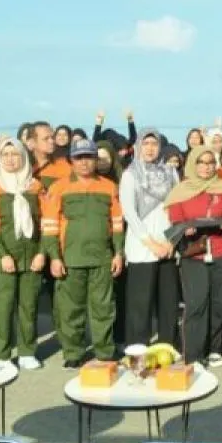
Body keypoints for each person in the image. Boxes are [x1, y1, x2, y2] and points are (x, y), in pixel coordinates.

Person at [42, 139, 126, 368]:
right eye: (79, 158)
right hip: (71, 259)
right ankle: (73, 353)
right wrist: (55, 257)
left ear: (95, 160)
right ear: (72, 160)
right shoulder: (58, 187)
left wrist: (118, 253)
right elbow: (49, 225)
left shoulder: (109, 187)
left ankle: (104, 351)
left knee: (103, 308)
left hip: (102, 258)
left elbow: (117, 223)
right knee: (71, 309)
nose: (84, 162)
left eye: (89, 157)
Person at [164, 146, 222, 367]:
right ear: (192, 164)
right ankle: (194, 354)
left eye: (210, 162)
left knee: (219, 303)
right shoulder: (181, 191)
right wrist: (184, 228)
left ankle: (215, 349)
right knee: (196, 304)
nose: (206, 167)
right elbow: (175, 218)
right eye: (201, 162)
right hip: (194, 254)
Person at [0, 137, 46, 369]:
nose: (10, 159)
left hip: (31, 258)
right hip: (1, 259)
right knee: (2, 308)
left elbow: (46, 222)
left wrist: (42, 253)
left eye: (15, 154)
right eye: (5, 155)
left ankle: (27, 352)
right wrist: (3, 254)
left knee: (29, 307)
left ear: (23, 157)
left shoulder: (35, 186)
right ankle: (2, 354)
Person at [120, 129, 180, 349]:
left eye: (154, 144)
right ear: (138, 147)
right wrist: (152, 243)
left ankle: (168, 346)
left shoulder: (171, 173)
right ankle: (138, 349)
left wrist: (171, 241)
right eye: (145, 144)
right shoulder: (130, 175)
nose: (150, 149)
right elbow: (130, 213)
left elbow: (178, 208)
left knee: (168, 302)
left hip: (167, 246)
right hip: (142, 247)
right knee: (140, 304)